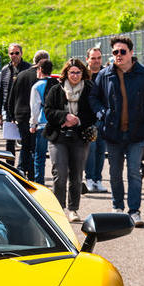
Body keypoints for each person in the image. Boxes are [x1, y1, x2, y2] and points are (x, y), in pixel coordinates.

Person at [89, 35, 144, 227]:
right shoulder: (105, 74)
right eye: (115, 52)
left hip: (136, 133)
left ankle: (134, 211)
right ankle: (118, 207)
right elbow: (93, 97)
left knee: (134, 173)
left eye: (122, 51)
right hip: (113, 133)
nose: (118, 55)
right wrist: (102, 113)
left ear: (131, 53)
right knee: (114, 173)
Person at [44, 58, 97, 223]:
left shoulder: (89, 89)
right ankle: (59, 209)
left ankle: (73, 209)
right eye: (72, 72)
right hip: (58, 136)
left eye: (78, 72)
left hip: (80, 136)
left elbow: (94, 112)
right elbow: (48, 110)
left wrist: (77, 120)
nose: (75, 75)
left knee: (76, 174)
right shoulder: (56, 89)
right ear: (66, 73)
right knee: (59, 172)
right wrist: (64, 117)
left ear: (83, 73)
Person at [7, 49, 50, 179]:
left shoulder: (21, 75)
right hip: (36, 117)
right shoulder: (42, 79)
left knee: (25, 145)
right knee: (34, 147)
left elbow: (11, 96)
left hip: (20, 115)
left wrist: (12, 115)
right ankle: (31, 174)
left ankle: (21, 170)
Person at [0, 44, 30, 158]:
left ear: (21, 53)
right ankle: (10, 165)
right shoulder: (5, 69)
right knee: (9, 141)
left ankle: (24, 165)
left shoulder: (28, 68)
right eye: (11, 53)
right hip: (8, 110)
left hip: (23, 109)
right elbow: (0, 91)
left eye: (17, 53)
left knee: (25, 140)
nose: (14, 55)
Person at [29, 58, 57, 185]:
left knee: (39, 157)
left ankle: (39, 182)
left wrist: (32, 124)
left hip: (42, 124)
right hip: (56, 124)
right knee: (57, 157)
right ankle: (58, 182)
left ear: (40, 69)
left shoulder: (37, 86)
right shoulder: (57, 84)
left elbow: (35, 108)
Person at [84, 45, 107, 192]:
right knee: (90, 150)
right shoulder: (82, 75)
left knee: (101, 150)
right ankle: (89, 179)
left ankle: (98, 179)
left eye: (99, 58)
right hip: (88, 119)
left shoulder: (106, 74)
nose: (96, 61)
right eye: (93, 58)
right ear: (87, 59)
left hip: (103, 118)